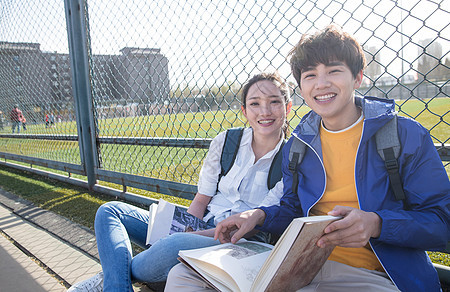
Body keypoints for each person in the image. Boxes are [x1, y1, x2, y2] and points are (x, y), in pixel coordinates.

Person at [166, 25, 450, 292]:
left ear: (358, 76)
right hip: (302, 264)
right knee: (183, 275)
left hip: (376, 274)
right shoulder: (299, 145)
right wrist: (259, 215)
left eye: (334, 71)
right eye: (310, 75)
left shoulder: (404, 135)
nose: (321, 84)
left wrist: (377, 223)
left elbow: (441, 221)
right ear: (301, 86)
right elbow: (293, 209)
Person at [68, 71, 293, 292]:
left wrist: (186, 238)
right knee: (110, 211)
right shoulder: (226, 141)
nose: (264, 111)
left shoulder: (290, 158)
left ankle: (112, 275)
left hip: (238, 239)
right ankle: (116, 284)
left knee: (170, 246)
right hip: (203, 222)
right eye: (255, 103)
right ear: (244, 110)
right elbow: (202, 199)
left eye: (274, 102)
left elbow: (255, 225)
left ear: (288, 107)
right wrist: (186, 228)